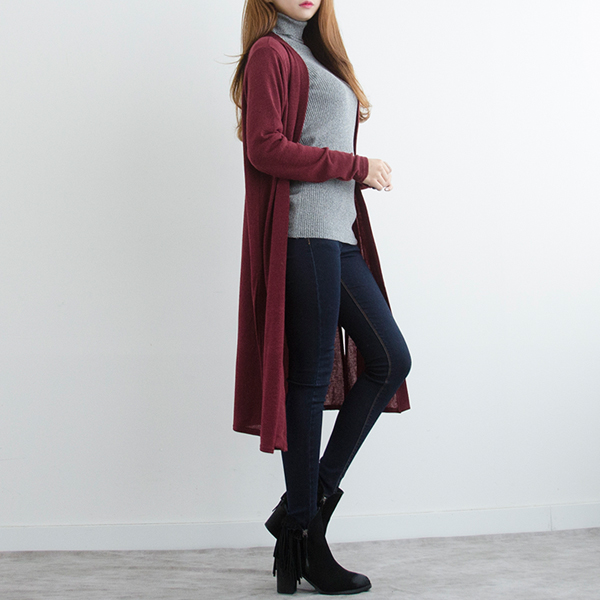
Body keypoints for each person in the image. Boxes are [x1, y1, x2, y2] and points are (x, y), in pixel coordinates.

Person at [230, 0, 411, 594]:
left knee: (389, 359)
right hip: (303, 234)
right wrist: (355, 165)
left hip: (339, 235)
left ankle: (300, 516)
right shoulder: (270, 52)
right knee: (309, 380)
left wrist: (351, 174)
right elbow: (264, 147)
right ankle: (307, 538)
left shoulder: (317, 52)